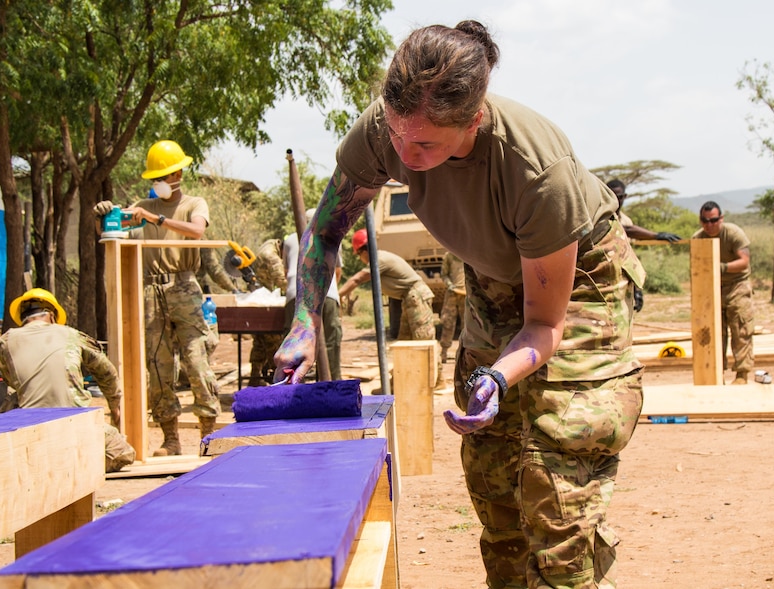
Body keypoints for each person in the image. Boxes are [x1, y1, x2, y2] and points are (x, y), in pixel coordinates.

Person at [274, 21, 645, 589]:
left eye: (425, 144)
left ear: (473, 119)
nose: (404, 153)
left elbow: (545, 325)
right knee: (493, 472)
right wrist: (303, 322)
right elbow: (323, 233)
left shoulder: (536, 170)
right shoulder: (385, 129)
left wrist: (500, 372)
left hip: (581, 278)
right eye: (398, 135)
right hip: (494, 272)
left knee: (556, 474)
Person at [93, 139, 221, 456]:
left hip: (185, 288)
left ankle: (208, 435)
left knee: (196, 361)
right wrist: (104, 215)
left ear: (178, 174)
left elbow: (197, 232)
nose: (159, 183)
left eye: (163, 176)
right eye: (155, 178)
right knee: (159, 368)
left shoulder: (194, 203)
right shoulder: (143, 206)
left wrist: (157, 219)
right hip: (150, 290)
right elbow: (113, 228)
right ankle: (171, 439)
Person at [0, 288, 136, 473]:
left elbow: (11, 381)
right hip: (74, 424)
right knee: (123, 453)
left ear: (23, 318)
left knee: (11, 403)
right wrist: (114, 404)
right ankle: (72, 465)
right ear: (52, 316)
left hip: (28, 429)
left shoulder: (6, 342)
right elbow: (106, 372)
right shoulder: (71, 335)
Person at [692, 201, 754, 384]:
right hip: (712, 288)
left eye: (713, 220)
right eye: (705, 221)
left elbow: (744, 261)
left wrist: (722, 267)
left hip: (737, 286)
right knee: (713, 334)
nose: (709, 225)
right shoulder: (698, 238)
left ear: (721, 219)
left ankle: (742, 374)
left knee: (740, 330)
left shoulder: (733, 233)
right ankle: (717, 374)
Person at [339, 229, 435, 342]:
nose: (360, 259)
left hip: (416, 296)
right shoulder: (379, 258)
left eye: (359, 254)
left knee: (423, 340)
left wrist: (337, 295)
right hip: (409, 298)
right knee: (406, 340)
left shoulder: (379, 260)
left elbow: (357, 279)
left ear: (364, 251)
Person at [284, 209, 343, 380]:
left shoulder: (289, 240)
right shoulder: (331, 236)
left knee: (294, 340)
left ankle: (293, 385)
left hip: (296, 294)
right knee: (331, 341)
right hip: (328, 294)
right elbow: (337, 271)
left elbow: (286, 271)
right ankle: (333, 383)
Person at [606, 179, 681, 312]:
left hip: (621, 274)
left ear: (625, 197)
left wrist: (637, 289)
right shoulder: (602, 217)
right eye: (613, 196)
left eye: (620, 197)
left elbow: (629, 256)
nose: (617, 200)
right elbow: (627, 230)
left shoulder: (626, 219)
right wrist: (655, 235)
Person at [247, 237, 288, 385]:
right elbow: (282, 282)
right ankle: (277, 377)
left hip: (259, 299)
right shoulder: (272, 255)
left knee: (259, 341)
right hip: (265, 304)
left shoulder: (269, 244)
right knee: (273, 340)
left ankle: (255, 376)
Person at [439, 251, 465, 363]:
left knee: (468, 325)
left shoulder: (469, 253)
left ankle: (465, 354)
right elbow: (444, 274)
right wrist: (450, 285)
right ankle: (444, 352)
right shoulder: (449, 256)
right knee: (448, 322)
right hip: (452, 294)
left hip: (466, 294)